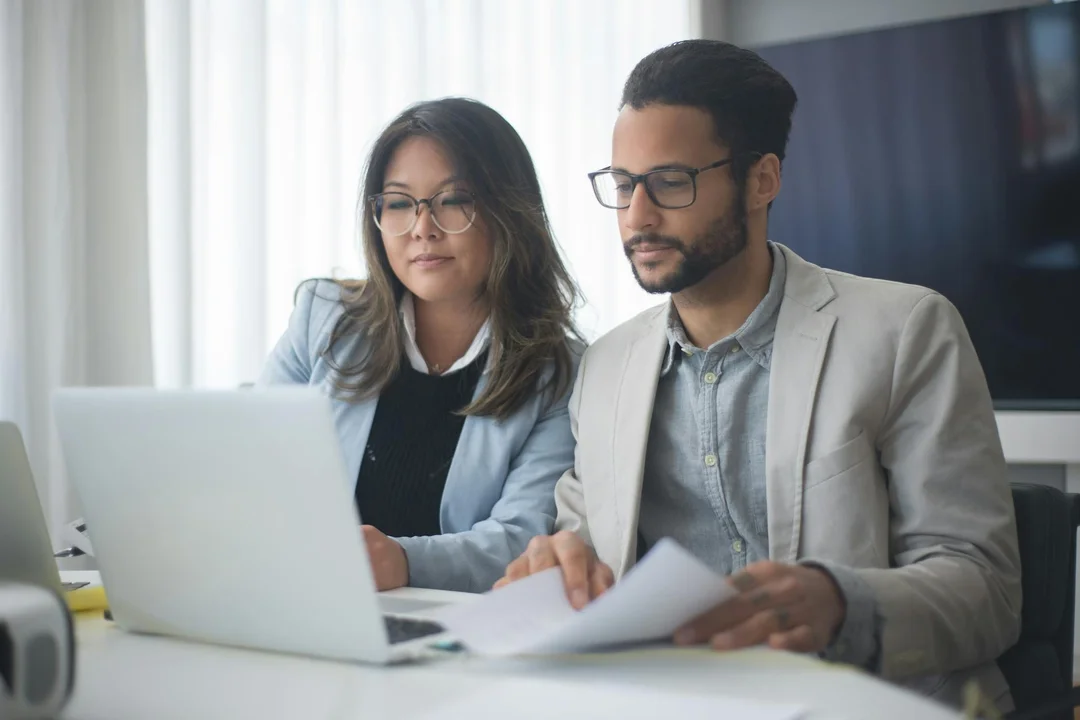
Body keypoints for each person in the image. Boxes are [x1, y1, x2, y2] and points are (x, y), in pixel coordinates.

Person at [496, 40, 1021, 710]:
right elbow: (583, 546)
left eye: (671, 181)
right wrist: (554, 571)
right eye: (624, 184)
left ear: (762, 179)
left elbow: (989, 593)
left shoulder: (905, 330)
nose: (637, 215)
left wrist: (839, 603)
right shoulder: (604, 368)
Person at [261, 97, 582, 594]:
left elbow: (522, 540)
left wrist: (404, 561)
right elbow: (252, 470)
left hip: (455, 636)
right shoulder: (322, 319)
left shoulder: (559, 373)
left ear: (509, 210)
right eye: (398, 203)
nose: (422, 228)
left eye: (454, 200)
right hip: (304, 604)